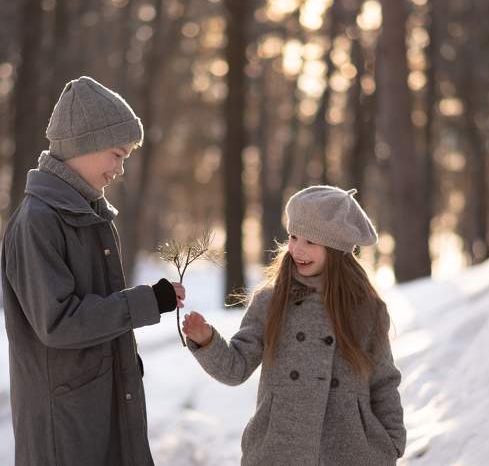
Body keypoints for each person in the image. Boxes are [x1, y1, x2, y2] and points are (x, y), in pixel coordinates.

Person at [1, 76, 185, 466]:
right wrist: (146, 302)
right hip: (65, 431)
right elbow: (58, 322)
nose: (120, 169)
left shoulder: (90, 215)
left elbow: (98, 311)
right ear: (84, 145)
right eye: (117, 155)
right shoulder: (38, 222)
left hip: (98, 413)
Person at [183, 185, 406, 466]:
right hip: (279, 449)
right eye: (293, 236)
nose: (297, 249)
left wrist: (393, 442)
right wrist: (206, 341)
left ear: (336, 248)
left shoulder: (366, 310)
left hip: (350, 452)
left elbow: (383, 381)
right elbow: (235, 369)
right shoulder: (271, 301)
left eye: (310, 241)